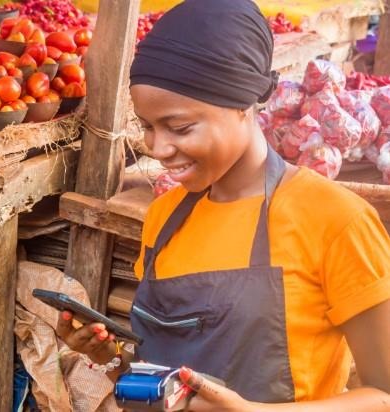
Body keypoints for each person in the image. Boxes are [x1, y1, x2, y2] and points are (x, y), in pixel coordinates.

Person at [57, 0, 390, 410]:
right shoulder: (163, 219)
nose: (157, 147)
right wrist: (109, 358)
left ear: (243, 106)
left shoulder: (336, 221)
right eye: (146, 126)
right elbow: (166, 375)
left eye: (179, 127)